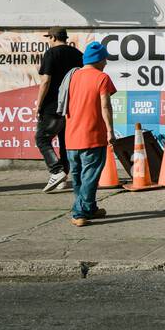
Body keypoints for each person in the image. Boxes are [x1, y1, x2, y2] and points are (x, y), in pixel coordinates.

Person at [64, 41, 117, 227]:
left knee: (79, 177)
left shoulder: (72, 76)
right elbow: (105, 105)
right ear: (99, 59)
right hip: (92, 136)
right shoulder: (102, 77)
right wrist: (110, 130)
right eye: (105, 59)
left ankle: (90, 208)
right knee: (90, 177)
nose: (106, 63)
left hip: (71, 136)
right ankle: (79, 213)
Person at [34, 27, 84, 193]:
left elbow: (46, 81)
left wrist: (39, 104)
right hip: (72, 104)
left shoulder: (51, 54)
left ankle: (56, 171)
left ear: (54, 38)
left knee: (41, 138)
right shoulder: (77, 54)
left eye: (49, 38)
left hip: (52, 105)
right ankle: (63, 178)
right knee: (65, 142)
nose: (49, 40)